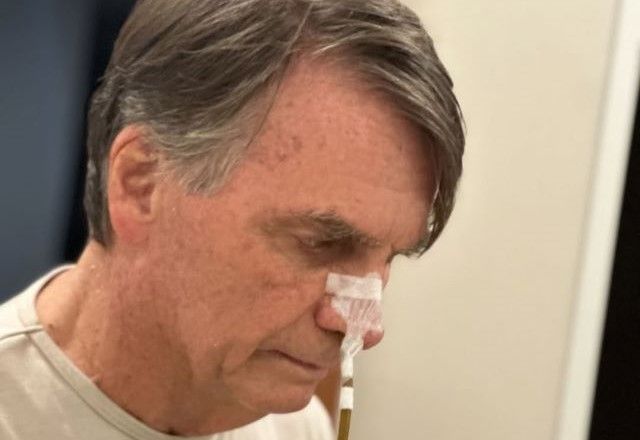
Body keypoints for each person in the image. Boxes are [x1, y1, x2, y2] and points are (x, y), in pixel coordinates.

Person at [0, 0, 464, 438]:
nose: (365, 326)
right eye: (320, 242)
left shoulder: (294, 427)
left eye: (389, 260)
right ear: (141, 183)